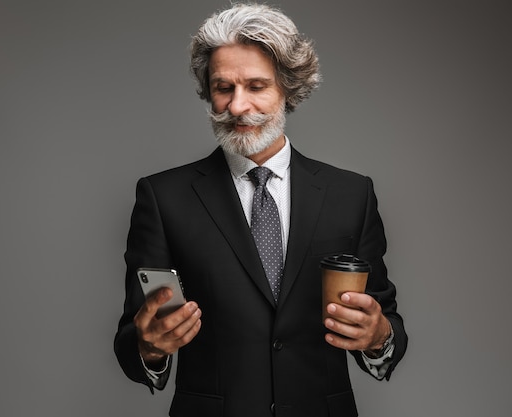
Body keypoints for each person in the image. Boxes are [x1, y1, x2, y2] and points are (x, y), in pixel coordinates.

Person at [115, 4, 407, 416]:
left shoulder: (351, 194)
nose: (236, 106)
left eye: (255, 86)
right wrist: (149, 346)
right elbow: (132, 339)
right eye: (223, 87)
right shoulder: (163, 198)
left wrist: (379, 337)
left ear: (288, 88)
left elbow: (384, 321)